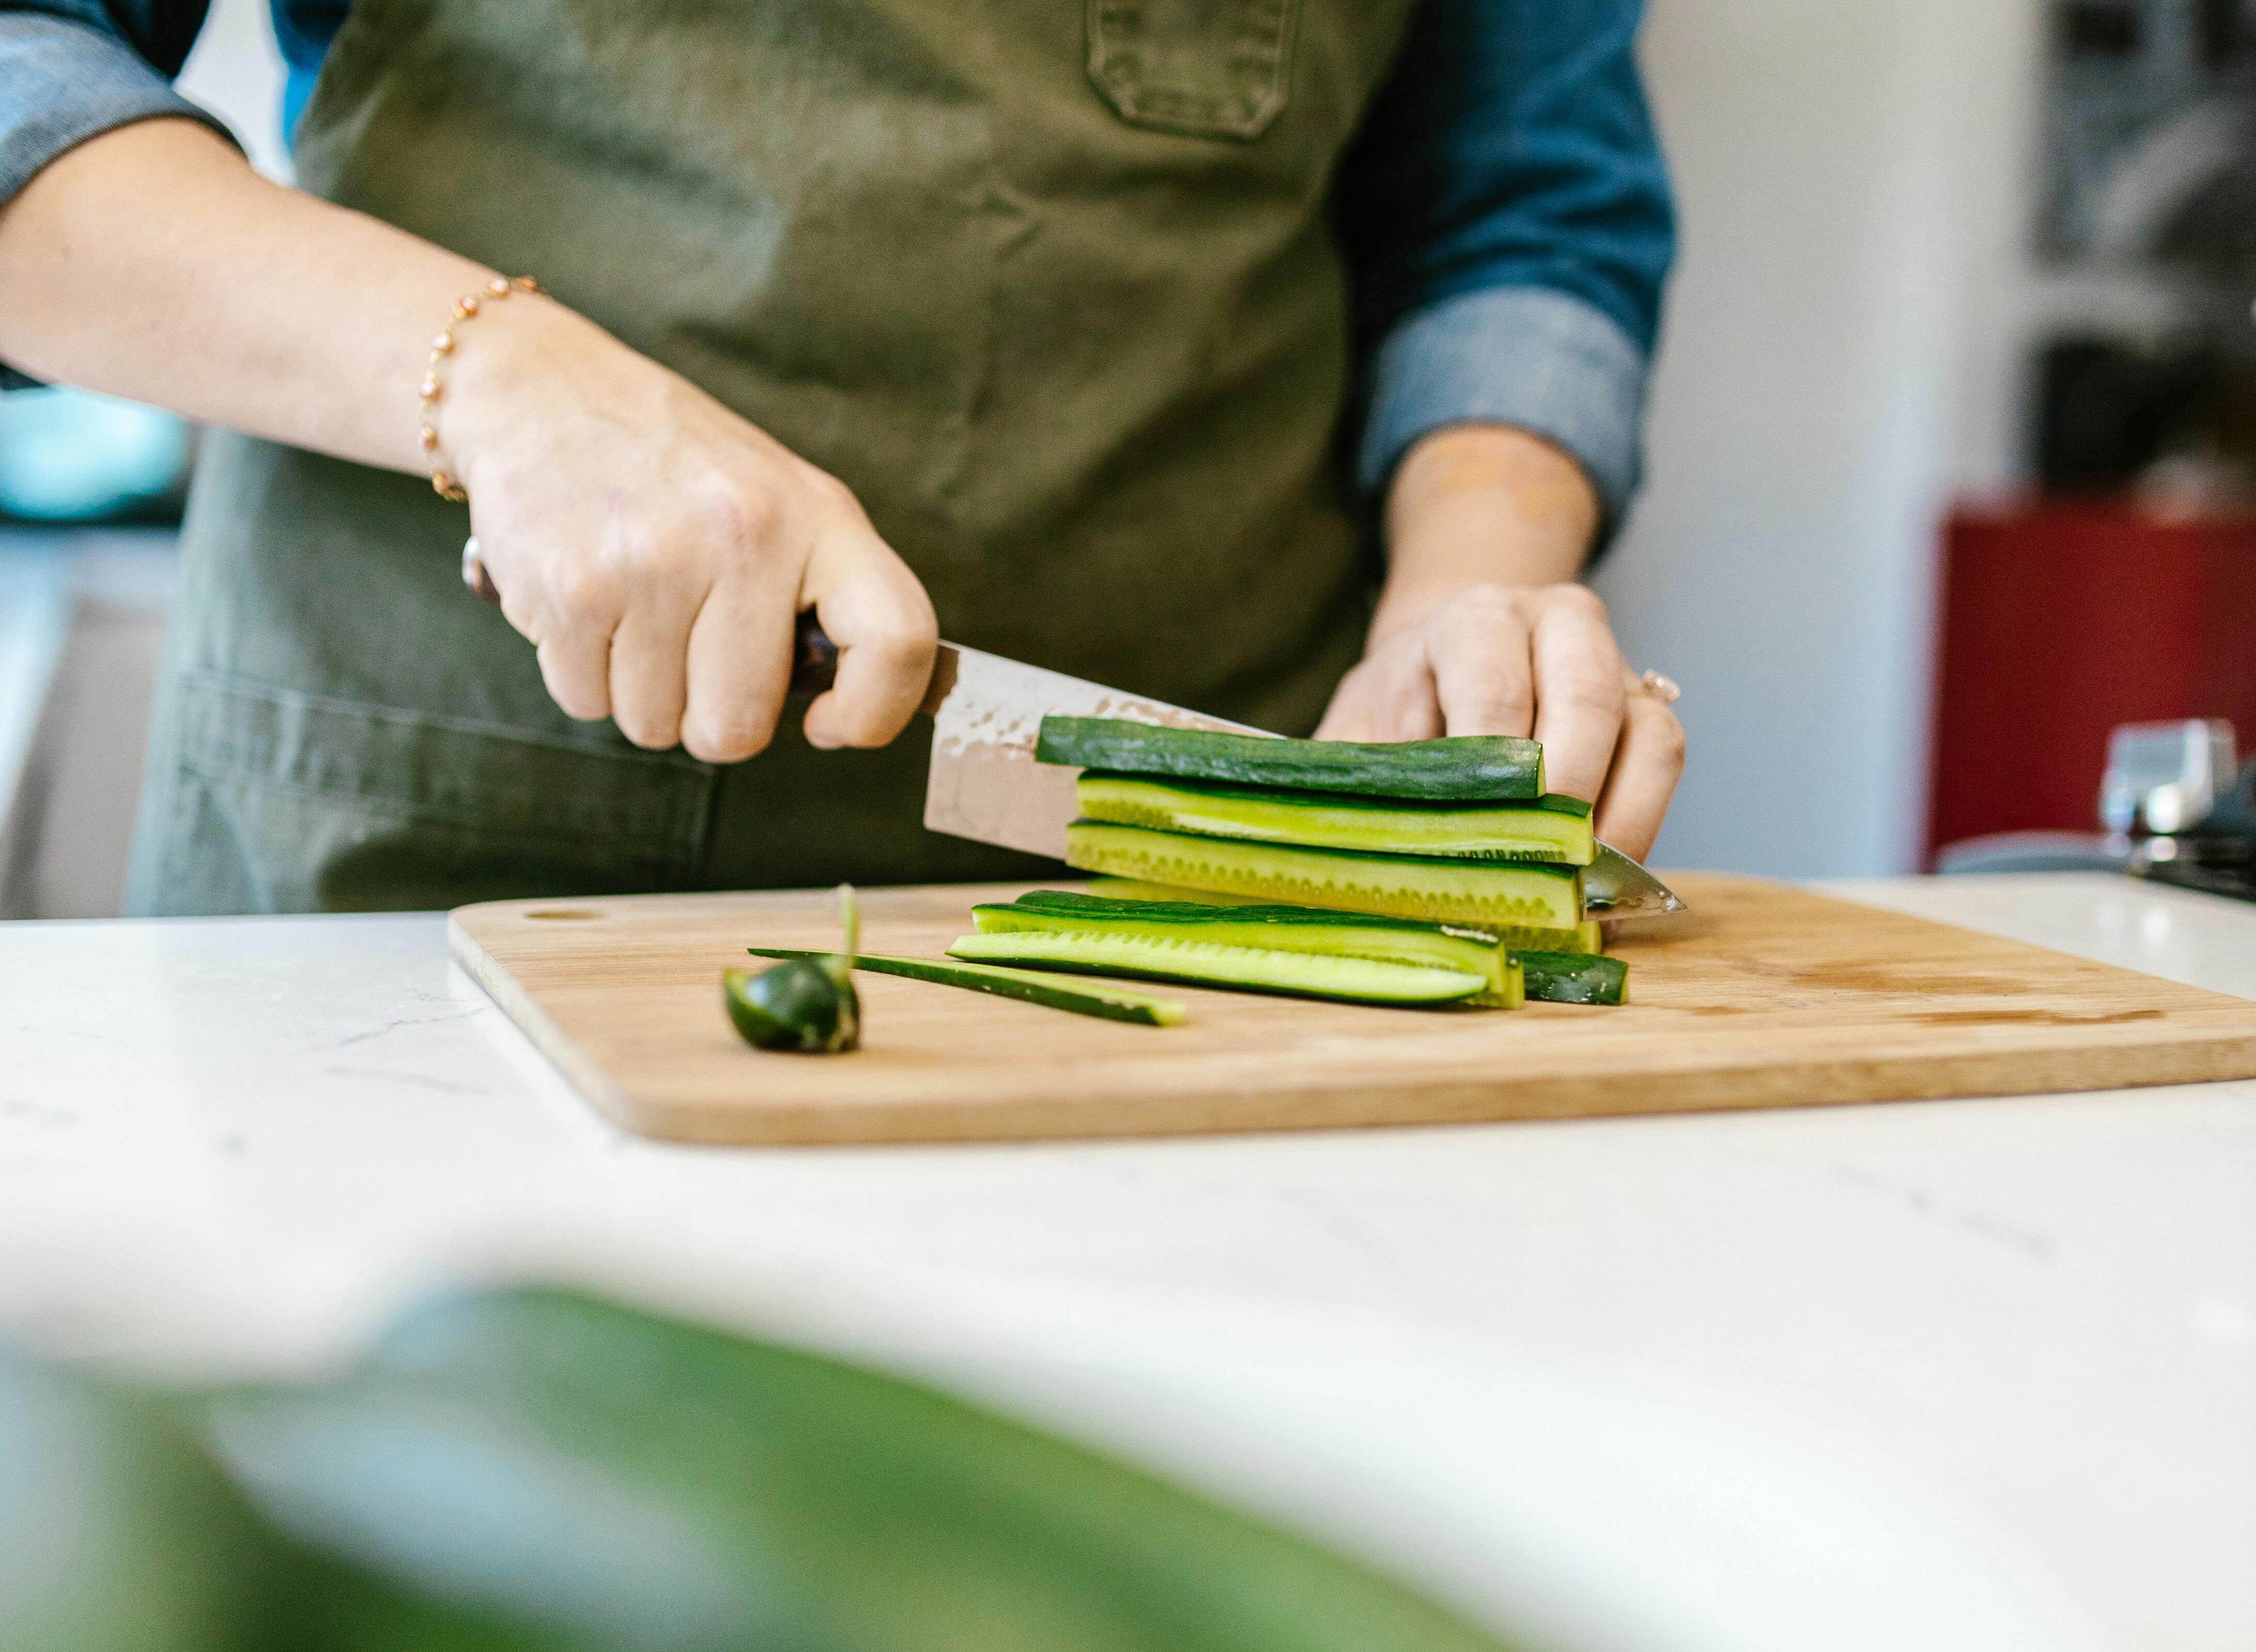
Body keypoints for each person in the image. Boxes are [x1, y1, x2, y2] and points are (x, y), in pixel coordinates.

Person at [0, 0, 1684, 914]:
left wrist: (1466, 602)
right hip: (417, 860)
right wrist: (503, 379)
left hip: (1190, 889)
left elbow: (1523, 209)